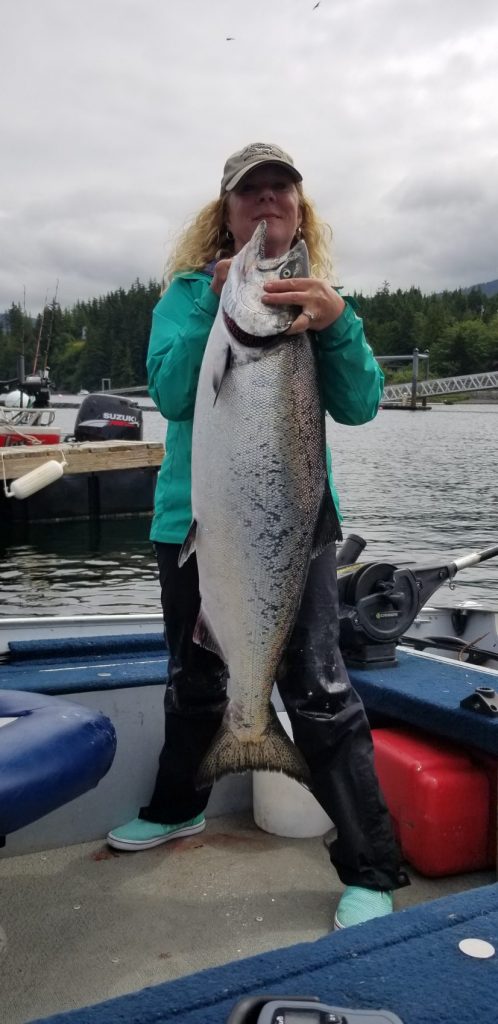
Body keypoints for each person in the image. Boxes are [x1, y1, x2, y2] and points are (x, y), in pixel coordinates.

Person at [107, 142, 409, 929]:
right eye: (252, 194)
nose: (267, 203)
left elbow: (362, 405)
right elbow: (174, 393)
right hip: (193, 526)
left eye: (283, 192)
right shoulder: (187, 296)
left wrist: (337, 323)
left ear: (301, 211)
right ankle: (179, 807)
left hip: (294, 531)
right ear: (226, 212)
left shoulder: (325, 304)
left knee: (321, 694)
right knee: (196, 683)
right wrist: (217, 300)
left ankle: (372, 866)